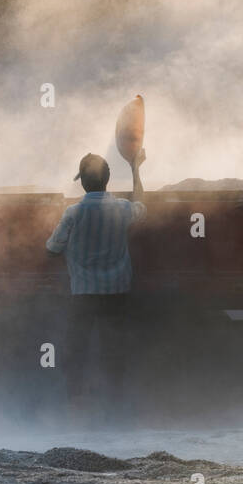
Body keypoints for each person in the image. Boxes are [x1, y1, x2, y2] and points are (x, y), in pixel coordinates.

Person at [46, 149, 147, 411]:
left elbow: (53, 248)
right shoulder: (122, 209)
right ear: (108, 179)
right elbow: (142, 206)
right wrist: (136, 170)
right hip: (117, 291)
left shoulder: (73, 213)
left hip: (83, 293)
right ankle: (116, 402)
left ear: (82, 182)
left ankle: (76, 403)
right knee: (113, 349)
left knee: (76, 349)